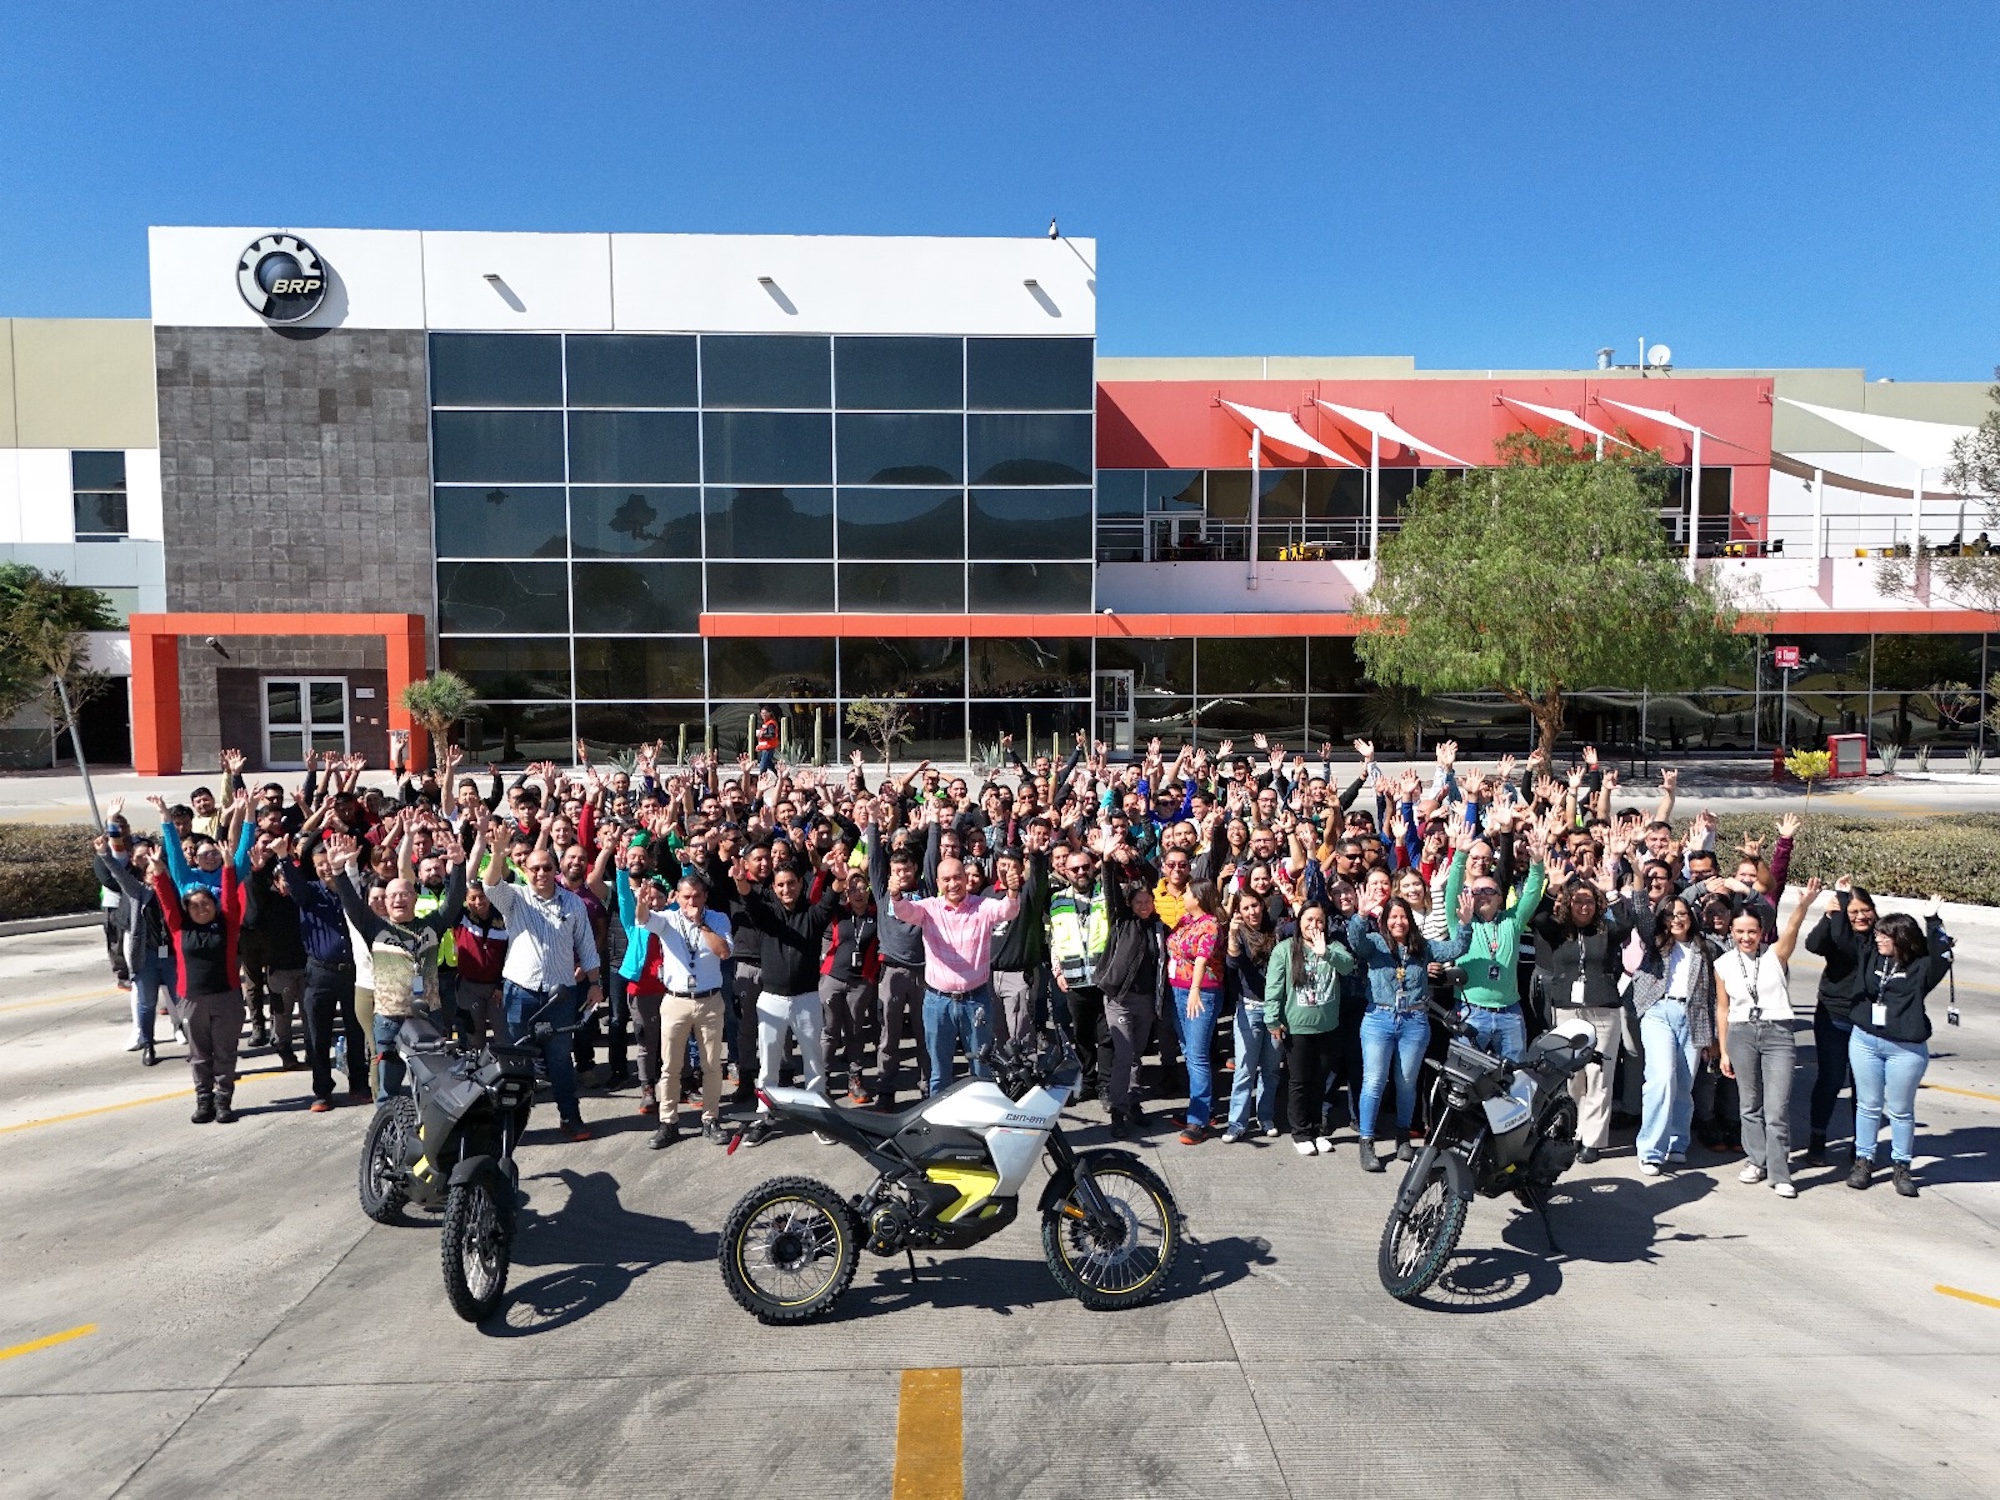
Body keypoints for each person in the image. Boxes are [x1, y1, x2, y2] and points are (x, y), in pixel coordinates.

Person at [327, 830, 469, 1104]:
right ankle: (388, 1136)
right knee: (388, 1091)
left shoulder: (431, 926)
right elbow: (351, 902)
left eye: (405, 895)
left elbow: (453, 900)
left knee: (434, 1089)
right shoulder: (374, 927)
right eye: (392, 896)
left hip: (429, 1018)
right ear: (385, 902)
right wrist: (338, 870)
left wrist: (459, 865)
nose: (398, 900)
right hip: (389, 1020)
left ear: (415, 898)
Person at [482, 825, 604, 1142]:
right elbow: (490, 883)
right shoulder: (515, 899)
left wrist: (594, 982)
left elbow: (587, 947)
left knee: (561, 1060)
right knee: (516, 1064)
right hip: (519, 993)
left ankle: (570, 1119)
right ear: (524, 870)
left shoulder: (574, 904)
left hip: (561, 997)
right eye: (534, 868)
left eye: (547, 867)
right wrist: (497, 853)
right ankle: (512, 1126)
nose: (541, 873)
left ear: (556, 869)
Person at [1349, 890, 1470, 1171]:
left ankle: (1403, 1137)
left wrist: (1464, 925)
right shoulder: (1376, 944)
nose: (1398, 922)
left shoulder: (1422, 947)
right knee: (1374, 1082)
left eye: (1403, 916)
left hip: (1414, 1021)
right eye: (1393, 916)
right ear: (1385, 921)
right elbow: (1356, 942)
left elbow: (1455, 950)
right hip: (1379, 1018)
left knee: (1406, 1082)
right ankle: (1367, 1141)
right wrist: (1361, 915)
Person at [1713, 878, 1819, 1198]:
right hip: (1741, 1033)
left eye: (1752, 931)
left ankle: (1780, 1172)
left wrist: (1803, 904)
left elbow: (1792, 929)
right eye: (1739, 931)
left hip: (1778, 1034)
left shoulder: (1775, 955)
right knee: (1749, 1104)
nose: (1746, 937)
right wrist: (1723, 1051)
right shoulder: (1722, 963)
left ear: (1761, 933)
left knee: (1776, 1108)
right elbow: (1722, 1008)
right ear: (1731, 932)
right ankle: (1756, 1160)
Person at [731, 850, 845, 1146]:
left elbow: (830, 899)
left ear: (800, 884)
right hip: (771, 1000)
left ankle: (819, 1118)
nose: (786, 889)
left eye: (791, 883)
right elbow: (751, 903)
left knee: (814, 1064)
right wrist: (742, 881)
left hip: (807, 1000)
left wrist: (840, 878)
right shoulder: (767, 916)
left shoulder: (812, 915)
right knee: (768, 1065)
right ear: (774, 887)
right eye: (780, 885)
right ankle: (763, 1117)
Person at [1532, 861, 1637, 1164]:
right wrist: (1552, 889)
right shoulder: (1557, 931)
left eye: (1589, 901)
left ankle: (1592, 1140)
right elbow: (1539, 918)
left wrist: (1613, 892)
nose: (1583, 906)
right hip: (1567, 1009)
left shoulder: (1606, 930)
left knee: (1599, 1074)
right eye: (1577, 900)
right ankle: (1573, 1128)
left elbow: (1627, 923)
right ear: (1568, 903)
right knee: (1573, 1074)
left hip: (1603, 1010)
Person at [1847, 900, 1954, 1197]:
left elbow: (1943, 955)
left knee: (1900, 1110)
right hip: (1865, 1041)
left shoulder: (1922, 969)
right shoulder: (1872, 956)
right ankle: (1863, 1161)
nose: (1878, 939)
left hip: (1905, 1050)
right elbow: (1854, 932)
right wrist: (1845, 899)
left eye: (1886, 935)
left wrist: (1933, 921)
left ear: (1902, 939)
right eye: (1878, 934)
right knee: (1867, 1105)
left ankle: (1901, 1166)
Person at [892, 855, 1020, 1101]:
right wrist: (896, 895)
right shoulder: (929, 908)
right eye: (946, 879)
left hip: (976, 1001)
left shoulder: (982, 907)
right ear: (938, 882)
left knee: (982, 1068)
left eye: (957, 877)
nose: (953, 884)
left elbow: (1008, 910)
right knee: (939, 1071)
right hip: (937, 1002)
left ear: (965, 878)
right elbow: (905, 911)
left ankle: (983, 1122)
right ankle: (939, 1126)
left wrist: (1013, 891)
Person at [639, 871, 734, 1147]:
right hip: (676, 1001)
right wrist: (643, 901)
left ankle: (711, 1118)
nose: (691, 902)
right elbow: (644, 919)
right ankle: (668, 1122)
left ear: (705, 897)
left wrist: (701, 924)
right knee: (670, 1066)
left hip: (709, 1001)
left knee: (712, 1065)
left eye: (696, 896)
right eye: (686, 897)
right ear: (676, 898)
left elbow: (724, 952)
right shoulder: (667, 919)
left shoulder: (717, 919)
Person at [148, 857, 245, 1124]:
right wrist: (159, 873)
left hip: (226, 999)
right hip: (192, 1001)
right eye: (194, 906)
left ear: (215, 905)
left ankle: (223, 1099)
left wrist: (227, 868)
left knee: (225, 1053)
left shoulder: (227, 924)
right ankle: (204, 1100)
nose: (201, 908)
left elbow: (231, 900)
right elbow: (167, 900)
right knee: (199, 1055)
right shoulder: (180, 929)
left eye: (206, 903)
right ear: (186, 910)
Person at [1628, 895, 1716, 1174]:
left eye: (1682, 913)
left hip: (1693, 1016)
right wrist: (1639, 880)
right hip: (1659, 1011)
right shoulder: (1656, 944)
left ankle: (1677, 1141)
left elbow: (1712, 994)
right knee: (1662, 1078)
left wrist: (1711, 1036)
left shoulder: (1706, 949)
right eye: (1670, 915)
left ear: (1691, 916)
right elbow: (1642, 915)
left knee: (1684, 1084)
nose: (1677, 919)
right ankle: (1651, 1150)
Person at [1266, 905, 1355, 1156]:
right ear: (1299, 921)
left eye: (1319, 920)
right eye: (1308, 919)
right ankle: (1301, 1131)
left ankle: (1317, 1130)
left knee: (1321, 1082)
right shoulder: (1284, 950)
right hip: (1297, 1027)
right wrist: (1272, 1019)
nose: (1314, 925)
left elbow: (1348, 966)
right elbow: (1273, 988)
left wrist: (1325, 953)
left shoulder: (1333, 947)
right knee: (1299, 1081)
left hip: (1327, 1026)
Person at [1093, 850, 1169, 1138]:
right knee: (1124, 1055)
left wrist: (1137, 861)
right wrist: (1110, 860)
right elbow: (1111, 888)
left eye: (1147, 901)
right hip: (1119, 998)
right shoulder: (1122, 920)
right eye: (1138, 902)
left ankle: (1133, 1103)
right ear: (1130, 904)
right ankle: (1117, 1110)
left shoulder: (1161, 928)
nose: (1144, 906)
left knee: (1136, 1055)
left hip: (1147, 1000)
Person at [1803, 878, 1876, 1166]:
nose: (1860, 916)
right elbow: (1813, 944)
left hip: (1868, 1021)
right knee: (1831, 1079)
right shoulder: (1837, 929)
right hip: (1833, 1016)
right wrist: (1829, 915)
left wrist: (1843, 902)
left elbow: (1853, 947)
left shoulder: (1879, 937)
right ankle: (1817, 1139)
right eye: (1853, 912)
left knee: (1864, 1085)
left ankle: (1862, 1146)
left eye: (1865, 910)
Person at [1045, 844, 1111, 1101]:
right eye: (1075, 868)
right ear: (1066, 871)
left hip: (1104, 978)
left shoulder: (1105, 895)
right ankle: (1088, 1081)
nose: (1081, 872)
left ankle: (1106, 1085)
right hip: (1074, 979)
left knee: (1106, 1036)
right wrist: (1058, 972)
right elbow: (1054, 940)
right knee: (1082, 1036)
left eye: (1086, 866)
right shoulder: (1057, 900)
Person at [1221, 888, 1284, 1142]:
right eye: (1245, 908)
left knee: (1270, 1069)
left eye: (1255, 906)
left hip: (1275, 1008)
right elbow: (1232, 965)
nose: (1252, 912)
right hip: (1249, 1008)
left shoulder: (1276, 932)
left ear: (1263, 906)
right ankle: (1236, 1123)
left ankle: (1265, 1115)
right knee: (1245, 1069)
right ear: (1239, 912)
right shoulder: (1239, 935)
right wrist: (1233, 934)